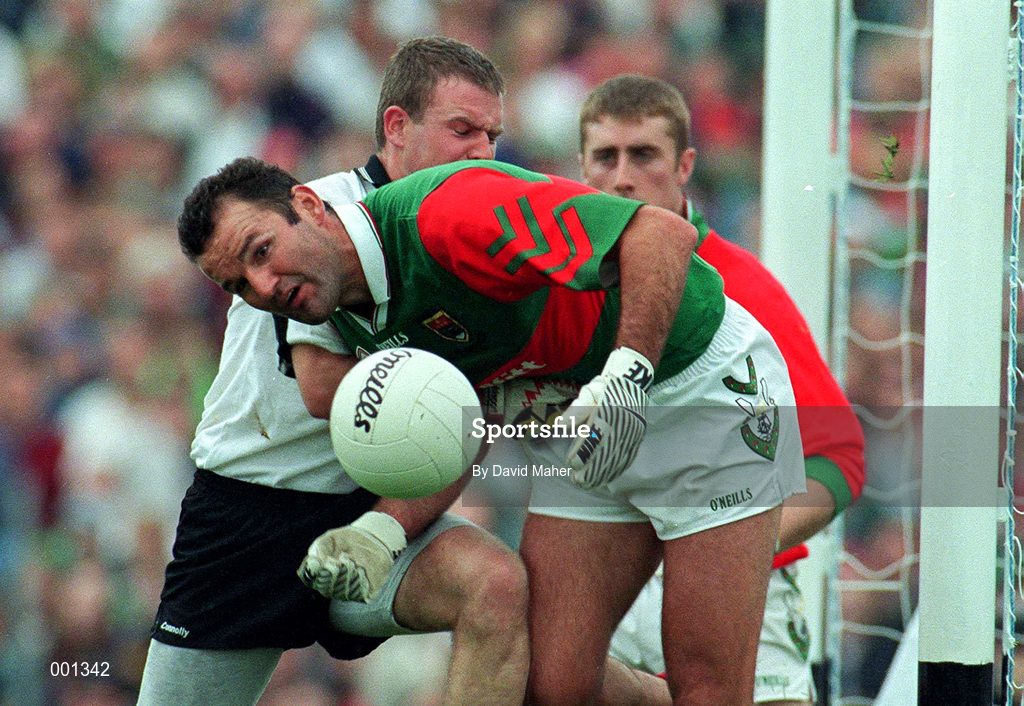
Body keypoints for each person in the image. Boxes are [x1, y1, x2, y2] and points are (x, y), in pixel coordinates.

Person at [178, 133, 808, 706]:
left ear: (310, 206)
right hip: (588, 417)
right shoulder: (333, 309)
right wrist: (385, 531)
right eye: (238, 284)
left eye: (262, 250)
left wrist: (628, 373)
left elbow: (662, 235)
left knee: (709, 686)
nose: (263, 285)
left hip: (703, 389)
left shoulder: (449, 214)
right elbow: (464, 423)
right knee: (549, 686)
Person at [138, 37, 531, 706]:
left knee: (497, 586)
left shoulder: (480, 246)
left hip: (367, 509)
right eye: (462, 129)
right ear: (397, 127)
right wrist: (484, 383)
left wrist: (386, 529)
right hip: (246, 523)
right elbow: (331, 394)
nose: (482, 152)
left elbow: (466, 430)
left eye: (492, 134)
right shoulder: (315, 216)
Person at [575, 74, 866, 706]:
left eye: (643, 155)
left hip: (737, 593)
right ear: (581, 169)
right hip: (610, 592)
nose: (622, 177)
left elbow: (837, 460)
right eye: (605, 157)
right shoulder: (556, 289)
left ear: (684, 166)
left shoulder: (744, 288)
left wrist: (727, 544)